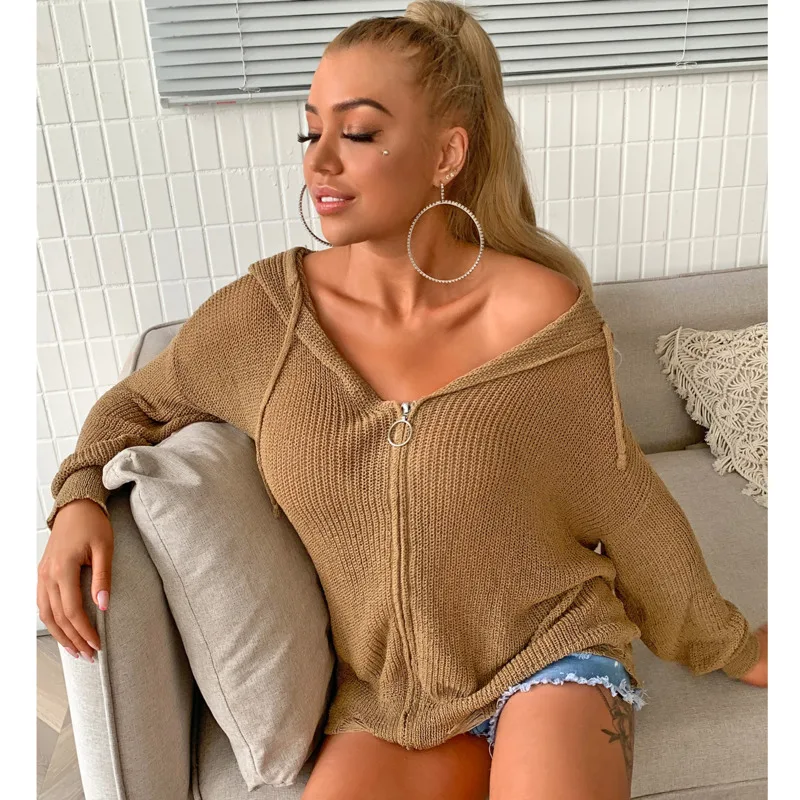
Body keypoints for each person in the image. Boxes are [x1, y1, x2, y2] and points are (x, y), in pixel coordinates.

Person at [38, 2, 767, 798]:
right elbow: (134, 406)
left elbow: (623, 499)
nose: (321, 161)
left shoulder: (541, 315)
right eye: (310, 132)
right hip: (387, 700)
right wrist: (78, 498)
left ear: (446, 153)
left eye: (356, 133)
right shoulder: (266, 322)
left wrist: (728, 645)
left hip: (552, 651)